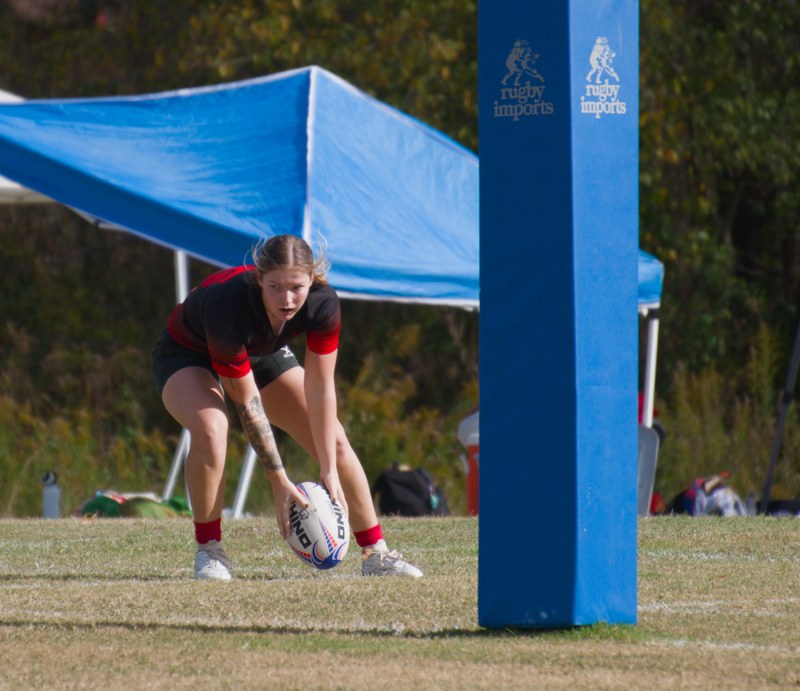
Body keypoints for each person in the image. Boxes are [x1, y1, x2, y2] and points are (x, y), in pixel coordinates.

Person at [151, 233, 423, 581]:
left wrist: (328, 467)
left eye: (296, 287)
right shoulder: (228, 305)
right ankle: (210, 550)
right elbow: (248, 404)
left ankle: (376, 554)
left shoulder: (323, 303)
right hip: (186, 352)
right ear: (258, 278)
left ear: (312, 278)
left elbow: (321, 387)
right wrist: (278, 478)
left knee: (335, 440)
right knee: (212, 427)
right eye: (275, 287)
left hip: (258, 351)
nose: (287, 299)